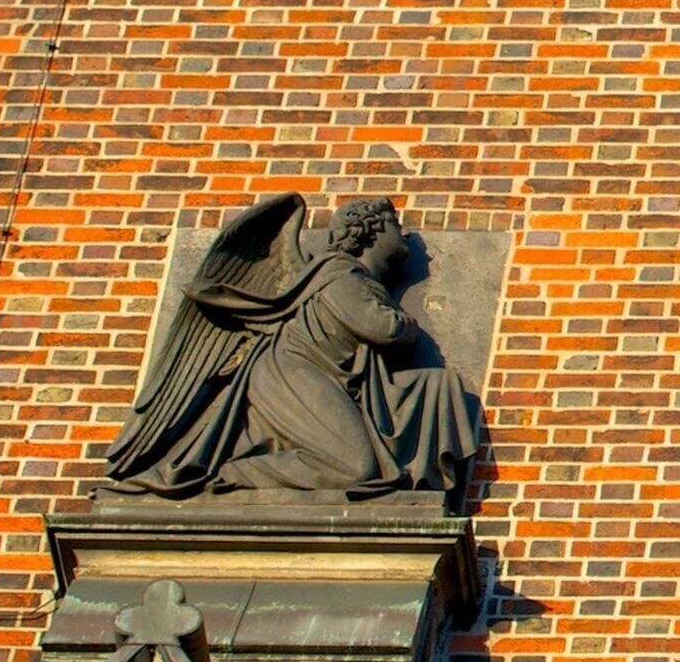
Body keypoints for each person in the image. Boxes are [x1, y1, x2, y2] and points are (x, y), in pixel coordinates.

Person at [100, 195, 486, 503]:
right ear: (370, 232)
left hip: (325, 378)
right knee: (355, 468)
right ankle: (228, 472)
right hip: (292, 375)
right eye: (393, 226)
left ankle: (419, 478)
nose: (402, 235)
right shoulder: (339, 273)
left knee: (438, 385)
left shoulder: (352, 278)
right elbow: (382, 328)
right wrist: (407, 325)